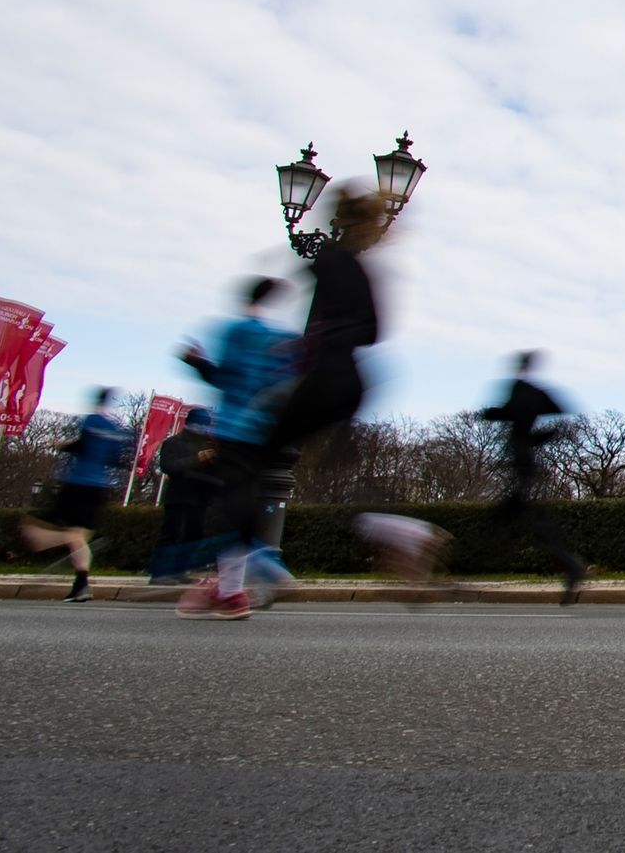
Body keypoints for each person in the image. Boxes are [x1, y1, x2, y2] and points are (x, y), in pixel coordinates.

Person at [184, 192, 386, 621]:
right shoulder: (358, 267)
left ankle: (250, 572)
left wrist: (310, 344)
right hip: (352, 383)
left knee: (243, 487)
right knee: (318, 478)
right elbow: (372, 330)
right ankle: (241, 580)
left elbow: (231, 376)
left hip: (278, 404)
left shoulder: (327, 264)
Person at [480, 351, 586, 606]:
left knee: (515, 518)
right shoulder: (533, 392)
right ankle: (570, 566)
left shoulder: (521, 389)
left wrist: (493, 413)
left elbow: (515, 412)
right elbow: (553, 409)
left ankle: (571, 566)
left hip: (522, 460)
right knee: (527, 517)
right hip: (524, 458)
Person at [20, 388, 134, 602]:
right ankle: (81, 585)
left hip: (78, 483)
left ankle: (62, 544)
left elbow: (81, 445)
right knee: (79, 537)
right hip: (100, 487)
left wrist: (61, 445)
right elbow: (117, 459)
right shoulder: (116, 429)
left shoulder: (91, 421)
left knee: (31, 528)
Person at [147, 407, 218, 585]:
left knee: (193, 535)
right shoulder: (173, 442)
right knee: (170, 534)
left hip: (200, 496)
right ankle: (159, 573)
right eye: (200, 424)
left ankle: (179, 570)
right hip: (178, 495)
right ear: (190, 423)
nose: (203, 428)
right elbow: (168, 466)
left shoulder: (208, 444)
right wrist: (197, 458)